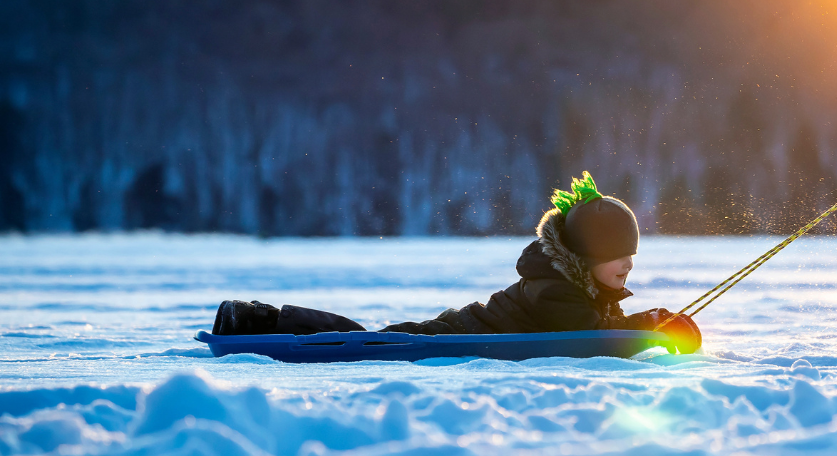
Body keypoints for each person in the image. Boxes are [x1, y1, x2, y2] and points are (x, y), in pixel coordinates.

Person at [211, 172, 703, 353]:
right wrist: (654, 326)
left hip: (461, 327)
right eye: (616, 258)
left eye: (631, 259)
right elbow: (591, 341)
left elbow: (603, 325)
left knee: (372, 337)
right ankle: (259, 320)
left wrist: (657, 322)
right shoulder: (558, 291)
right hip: (454, 334)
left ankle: (262, 317)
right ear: (583, 257)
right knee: (366, 343)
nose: (627, 269)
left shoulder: (579, 288)